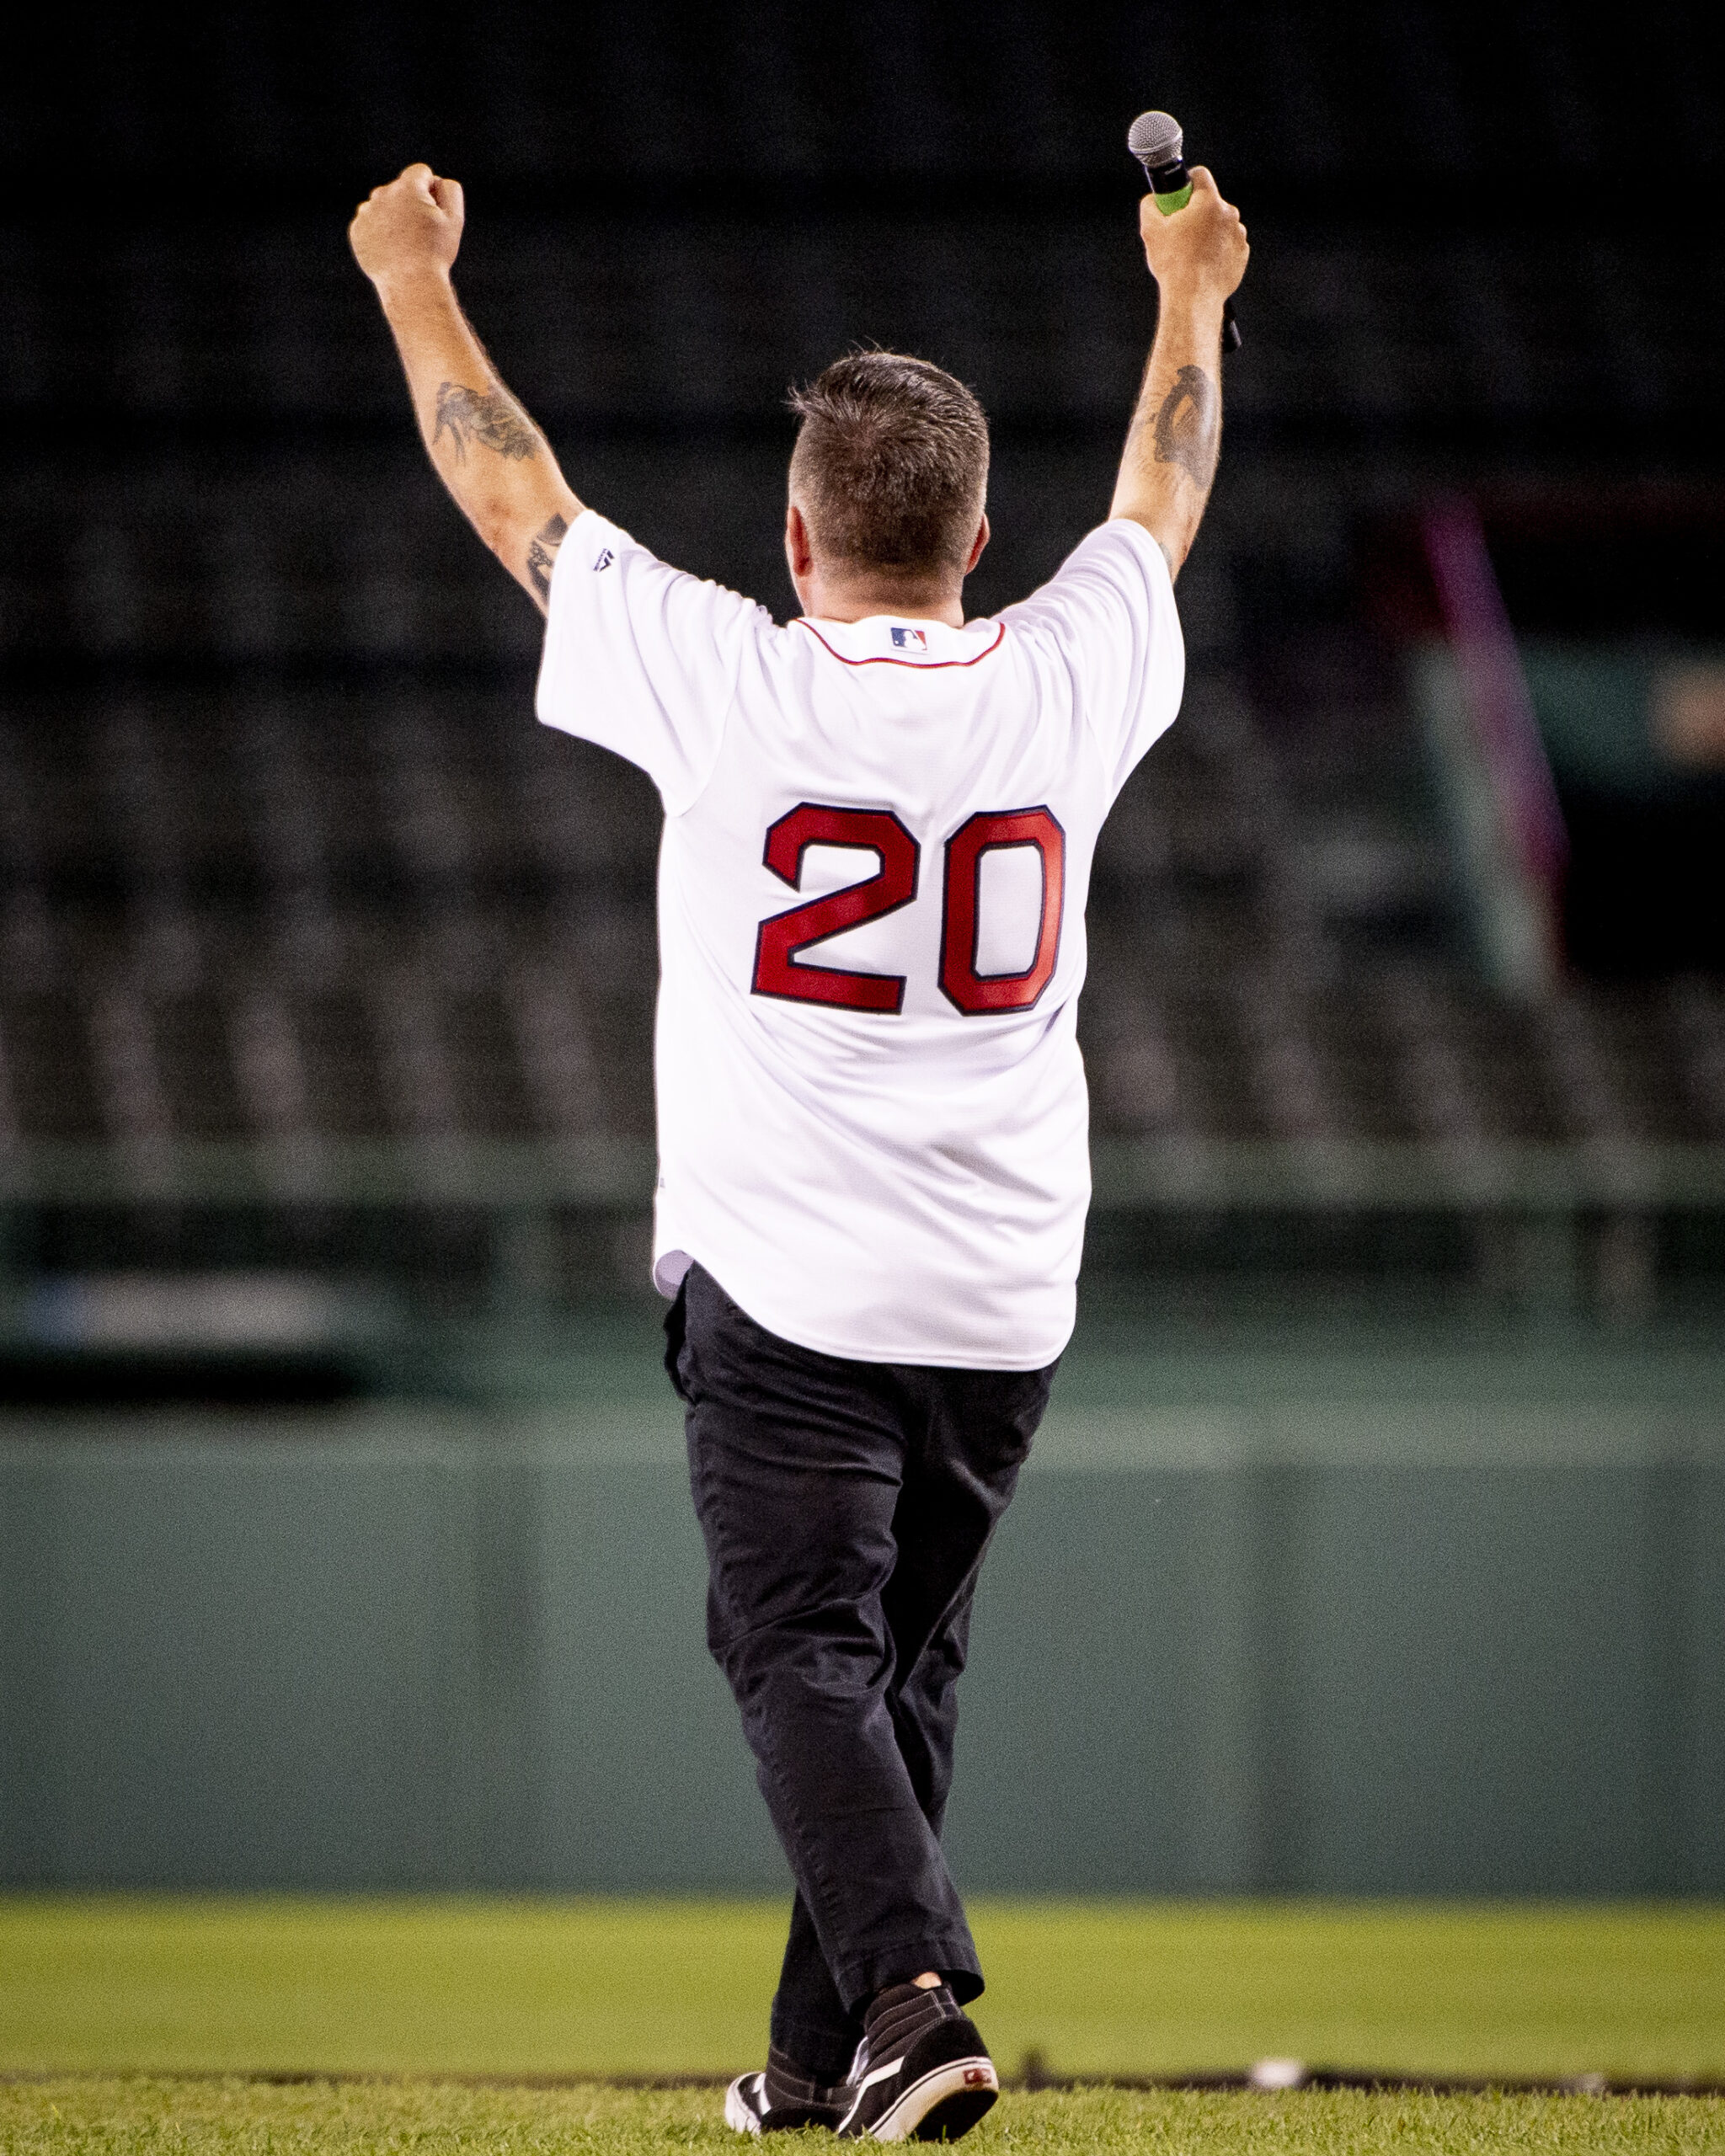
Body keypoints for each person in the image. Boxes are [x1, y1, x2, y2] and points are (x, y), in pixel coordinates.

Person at [351, 159, 1247, 2141]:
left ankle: (916, 2001)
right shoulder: (1074, 661)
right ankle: (812, 2056)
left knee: (793, 1646)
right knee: (895, 1670)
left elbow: (511, 489)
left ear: (795, 532)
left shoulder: (729, 675)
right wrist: (1189, 297)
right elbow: (1162, 498)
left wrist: (411, 278)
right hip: (1006, 1291)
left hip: (793, 1285)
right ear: (979, 533)